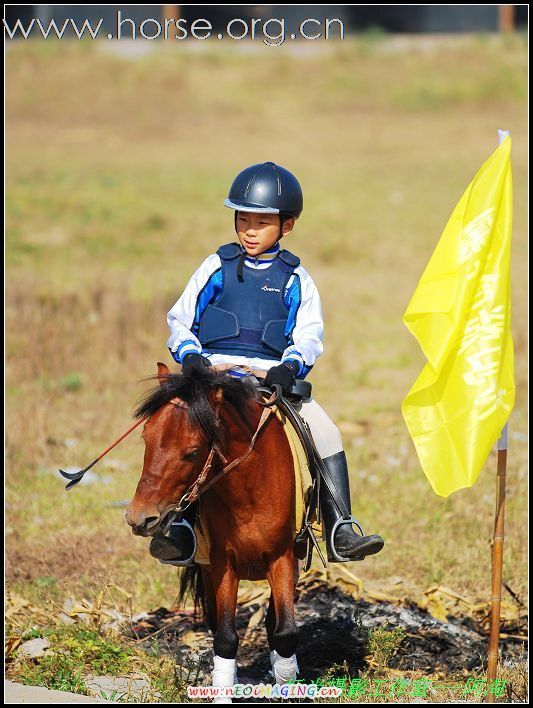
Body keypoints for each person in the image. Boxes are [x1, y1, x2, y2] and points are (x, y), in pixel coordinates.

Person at [150, 162, 384, 565]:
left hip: (267, 380)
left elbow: (309, 335)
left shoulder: (297, 278)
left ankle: (339, 527)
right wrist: (190, 356)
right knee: (182, 434)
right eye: (243, 220)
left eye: (262, 222)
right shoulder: (214, 266)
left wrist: (288, 366)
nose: (249, 230)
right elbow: (180, 319)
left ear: (287, 225)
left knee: (326, 432)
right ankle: (181, 527)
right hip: (213, 375)